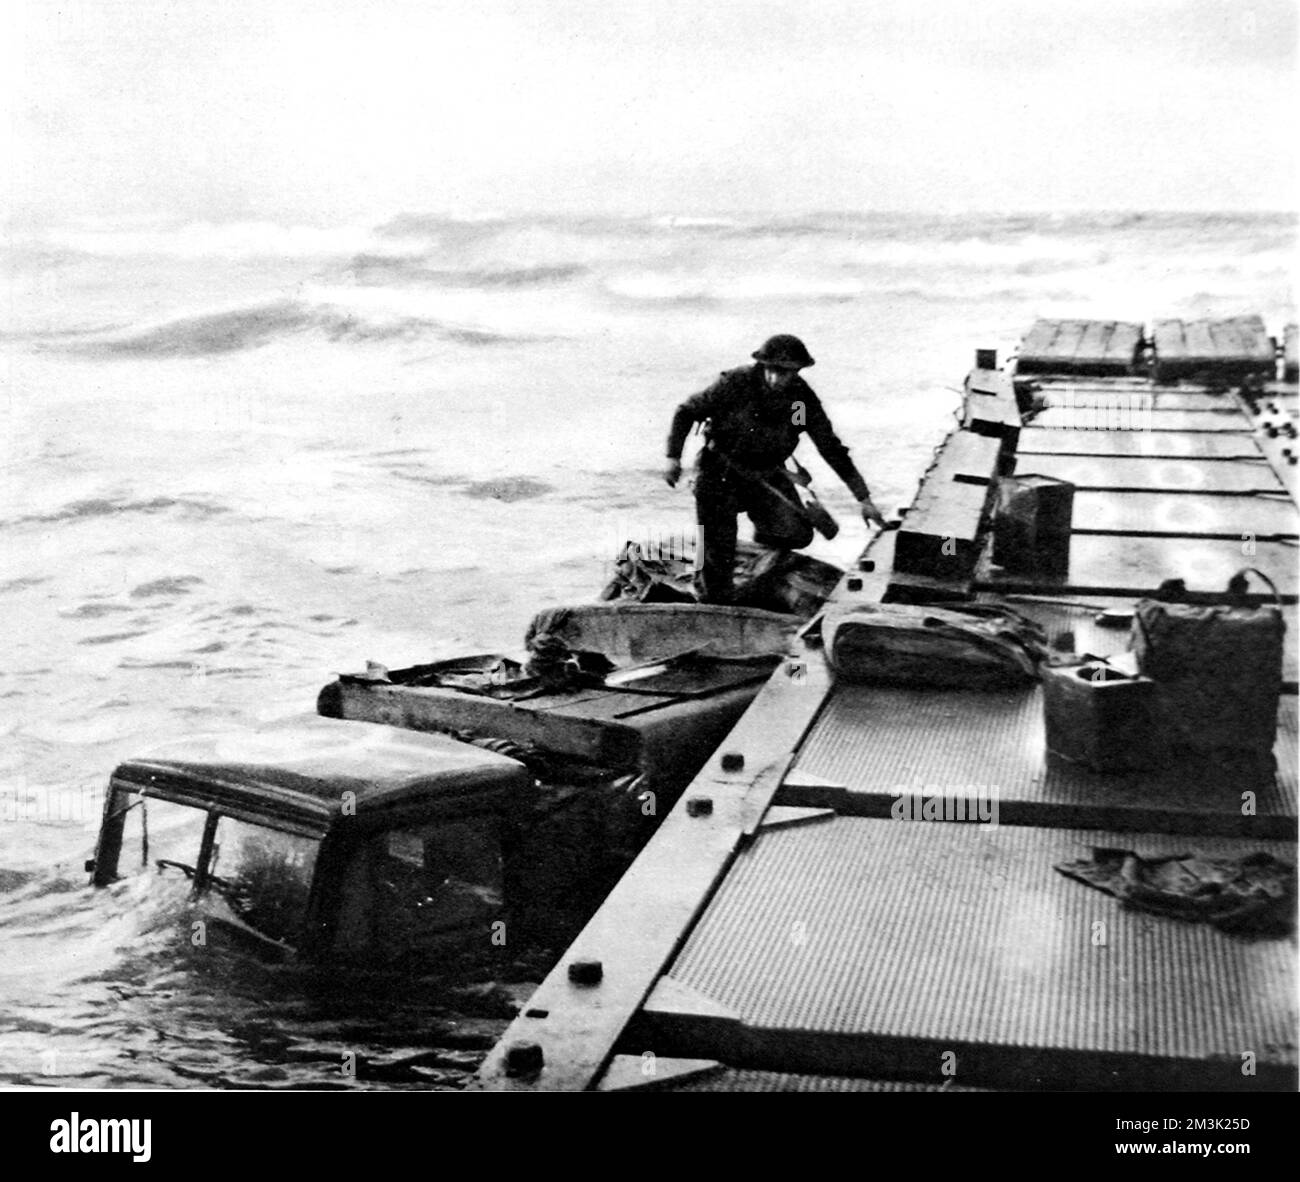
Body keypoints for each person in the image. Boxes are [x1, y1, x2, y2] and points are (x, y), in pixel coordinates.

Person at [664, 333, 886, 604]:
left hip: (766, 476)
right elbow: (686, 412)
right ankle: (715, 589)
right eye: (775, 370)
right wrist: (673, 457)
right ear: (763, 365)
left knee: (797, 533)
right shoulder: (734, 385)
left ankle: (756, 565)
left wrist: (864, 499)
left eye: (788, 372)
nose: (779, 378)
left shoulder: (800, 403)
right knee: (717, 564)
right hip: (720, 473)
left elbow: (830, 447)